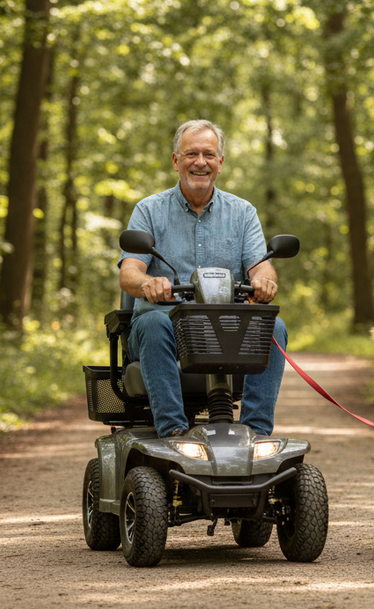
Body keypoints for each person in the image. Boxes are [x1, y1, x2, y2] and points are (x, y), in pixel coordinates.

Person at [118, 119, 288, 438]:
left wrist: (265, 281)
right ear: (176, 161)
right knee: (153, 324)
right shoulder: (149, 210)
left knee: (274, 325)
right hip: (164, 322)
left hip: (225, 328)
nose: (200, 162)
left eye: (209, 154)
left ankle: (257, 433)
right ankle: (173, 434)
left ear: (220, 163)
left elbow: (260, 266)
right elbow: (129, 273)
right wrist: (147, 284)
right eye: (191, 154)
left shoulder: (243, 213)